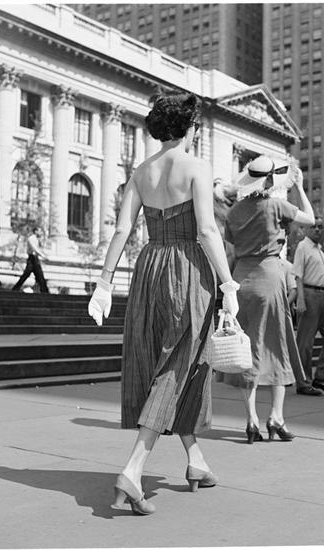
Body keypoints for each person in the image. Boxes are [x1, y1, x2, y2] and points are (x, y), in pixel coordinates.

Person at [87, 92, 238, 516]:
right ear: (188, 127)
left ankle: (196, 459)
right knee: (179, 363)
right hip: (188, 269)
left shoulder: (141, 172)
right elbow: (207, 230)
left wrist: (104, 283)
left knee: (174, 362)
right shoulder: (196, 167)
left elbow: (121, 230)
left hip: (149, 267)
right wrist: (228, 283)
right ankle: (133, 469)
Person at [215, 155, 315, 444]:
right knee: (277, 346)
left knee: (244, 350)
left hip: (241, 281)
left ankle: (251, 420)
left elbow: (231, 249)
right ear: (270, 180)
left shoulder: (234, 212)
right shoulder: (276, 205)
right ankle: (276, 417)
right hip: (270, 279)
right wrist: (300, 187)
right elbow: (309, 219)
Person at [293, 216, 324, 395]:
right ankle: (303, 383)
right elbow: (298, 275)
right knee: (305, 343)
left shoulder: (319, 249)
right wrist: (300, 299)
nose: (317, 230)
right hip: (310, 294)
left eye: (320, 227)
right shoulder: (303, 247)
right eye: (313, 227)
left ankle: (320, 377)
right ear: (306, 229)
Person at [279, 257, 322, 397]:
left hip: (282, 310)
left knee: (284, 344)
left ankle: (287, 375)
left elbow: (293, 291)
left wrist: (282, 306)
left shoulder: (287, 266)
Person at [12, 227, 49, 293]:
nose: (40, 232)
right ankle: (44, 290)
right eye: (39, 231)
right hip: (32, 258)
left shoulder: (36, 239)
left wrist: (43, 254)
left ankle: (44, 290)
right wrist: (43, 255)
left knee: (38, 275)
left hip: (34, 258)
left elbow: (38, 249)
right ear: (36, 231)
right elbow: (34, 248)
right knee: (33, 274)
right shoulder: (31, 238)